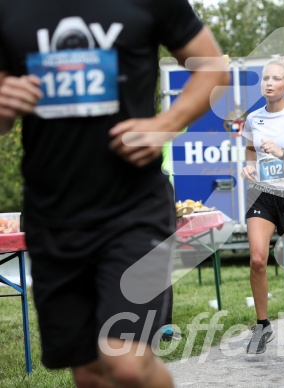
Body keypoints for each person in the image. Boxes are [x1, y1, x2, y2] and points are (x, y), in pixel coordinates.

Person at [0, 2, 230, 387]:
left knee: (124, 361)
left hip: (134, 209)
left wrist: (165, 125)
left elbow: (212, 66)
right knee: (89, 371)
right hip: (53, 214)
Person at [240, 56, 284, 355]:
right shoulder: (254, 118)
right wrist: (249, 167)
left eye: (275, 78)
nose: (268, 83)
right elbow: (250, 149)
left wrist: (282, 154)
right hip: (263, 195)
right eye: (265, 78)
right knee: (257, 258)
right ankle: (262, 324)